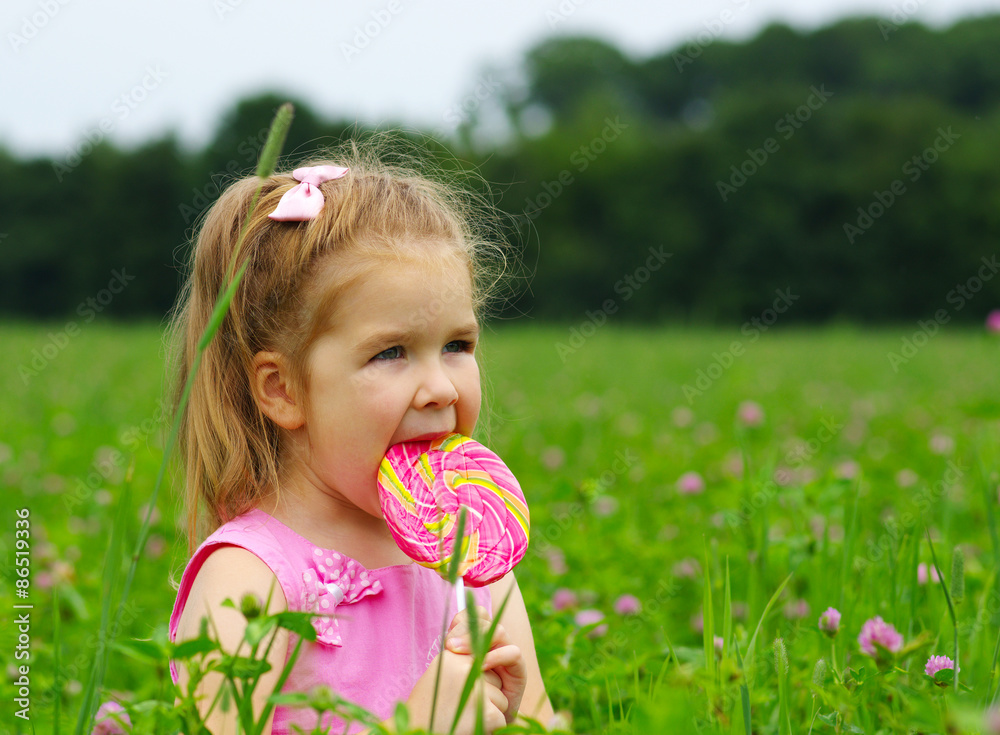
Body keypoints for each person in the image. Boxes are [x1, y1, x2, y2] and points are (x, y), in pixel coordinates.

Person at [166, 137, 553, 734]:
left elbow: (540, 722)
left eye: (457, 346)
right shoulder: (250, 579)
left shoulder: (475, 558)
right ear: (283, 389)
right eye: (391, 352)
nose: (440, 389)